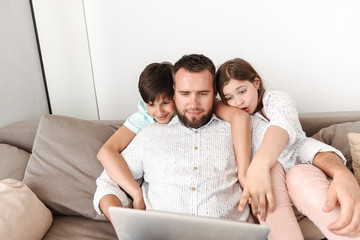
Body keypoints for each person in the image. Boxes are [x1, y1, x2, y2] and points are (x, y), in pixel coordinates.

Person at [93, 54, 253, 224]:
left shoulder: (236, 130)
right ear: (174, 92)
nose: (193, 104)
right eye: (184, 93)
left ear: (214, 92)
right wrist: (125, 226)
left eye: (203, 93)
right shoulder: (149, 134)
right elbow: (108, 184)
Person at [215, 57, 360, 239]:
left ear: (256, 83)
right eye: (228, 97)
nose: (237, 101)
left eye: (242, 91)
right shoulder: (236, 119)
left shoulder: (276, 100)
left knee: (296, 174)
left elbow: (283, 130)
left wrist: (258, 166)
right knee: (272, 169)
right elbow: (208, 104)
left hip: (302, 178)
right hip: (270, 190)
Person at [96, 62, 176, 220]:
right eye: (151, 104)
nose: (159, 112)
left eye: (165, 103)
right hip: (135, 181)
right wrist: (136, 194)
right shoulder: (144, 118)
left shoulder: (187, 114)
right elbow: (106, 151)